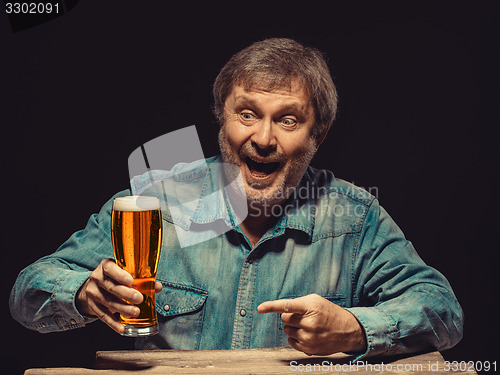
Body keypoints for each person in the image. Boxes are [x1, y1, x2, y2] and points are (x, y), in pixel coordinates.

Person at [10, 38, 463, 358]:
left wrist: (357, 329)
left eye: (287, 120)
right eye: (247, 114)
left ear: (318, 136)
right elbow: (28, 290)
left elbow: (442, 310)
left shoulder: (355, 217)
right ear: (221, 119)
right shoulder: (157, 204)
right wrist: (84, 293)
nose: (262, 139)